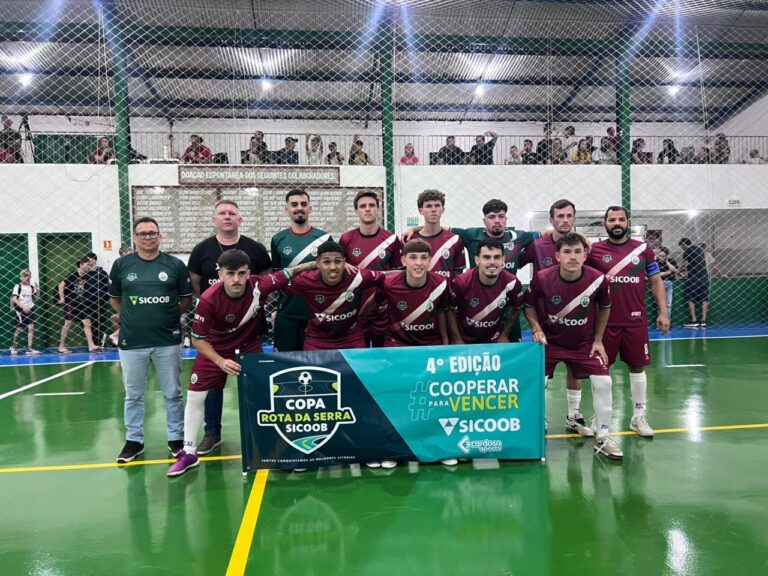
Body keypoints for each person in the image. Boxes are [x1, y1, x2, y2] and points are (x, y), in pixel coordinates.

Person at [167, 250, 314, 476]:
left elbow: (288, 273)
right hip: (214, 349)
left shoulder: (260, 285)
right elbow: (197, 340)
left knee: (267, 395)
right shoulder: (208, 299)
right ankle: (189, 452)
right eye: (230, 273)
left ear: (249, 273)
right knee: (196, 396)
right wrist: (220, 361)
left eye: (242, 273)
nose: (236, 279)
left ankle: (279, 448)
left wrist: (312, 265)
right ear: (220, 274)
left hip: (248, 348)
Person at [525, 233, 622, 460]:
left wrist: (598, 340)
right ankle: (535, 426)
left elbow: (605, 307)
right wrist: (536, 328)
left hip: (583, 344)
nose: (573, 257)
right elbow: (528, 305)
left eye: (578, 251)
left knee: (604, 382)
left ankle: (603, 437)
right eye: (567, 252)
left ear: (585, 255)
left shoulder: (598, 279)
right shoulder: (542, 278)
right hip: (550, 342)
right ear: (557, 256)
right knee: (538, 382)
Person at [187, 199, 273, 456]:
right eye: (222, 213)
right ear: (214, 219)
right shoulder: (201, 249)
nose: (227, 217)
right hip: (216, 332)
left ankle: (260, 432)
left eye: (232, 213)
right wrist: (218, 306)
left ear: (239, 219)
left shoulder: (254, 248)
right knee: (212, 386)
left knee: (256, 385)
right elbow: (195, 283)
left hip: (248, 331)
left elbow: (267, 280)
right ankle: (212, 433)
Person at [363, 238, 453, 466]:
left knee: (434, 397)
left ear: (430, 260)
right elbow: (370, 305)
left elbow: (443, 313)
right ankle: (393, 448)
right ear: (403, 260)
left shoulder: (441, 283)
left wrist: (446, 344)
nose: (418, 263)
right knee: (398, 395)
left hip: (429, 344)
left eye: (423, 258)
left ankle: (438, 447)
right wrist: (357, 322)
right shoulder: (389, 284)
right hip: (397, 343)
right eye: (413, 257)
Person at [110, 217, 192, 464]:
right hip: (132, 341)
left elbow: (185, 300)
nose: (148, 237)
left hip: (167, 340)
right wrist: (133, 318)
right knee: (133, 395)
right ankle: (134, 440)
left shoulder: (175, 265)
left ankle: (176, 438)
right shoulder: (121, 265)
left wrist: (166, 316)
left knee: (173, 393)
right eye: (142, 234)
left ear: (160, 236)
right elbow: (116, 300)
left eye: (152, 233)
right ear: (135, 238)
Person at [587, 206, 669, 438]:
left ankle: (638, 417)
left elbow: (656, 281)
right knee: (601, 369)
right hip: (604, 323)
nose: (617, 223)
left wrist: (663, 312)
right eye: (612, 219)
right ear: (604, 224)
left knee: (637, 367)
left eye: (621, 219)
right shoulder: (594, 251)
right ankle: (599, 416)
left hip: (635, 321)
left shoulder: (643, 250)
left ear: (628, 222)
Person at [518, 199, 592, 436]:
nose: (565, 220)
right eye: (560, 216)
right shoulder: (538, 245)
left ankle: (574, 417)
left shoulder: (583, 247)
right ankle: (540, 417)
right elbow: (514, 262)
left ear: (574, 218)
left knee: (575, 369)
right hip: (545, 322)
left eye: (569, 216)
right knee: (542, 372)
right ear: (551, 220)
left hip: (576, 319)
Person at [282, 240, 386, 350]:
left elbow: (387, 278)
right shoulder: (306, 280)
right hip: (317, 338)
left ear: (344, 262)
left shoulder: (358, 276)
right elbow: (276, 282)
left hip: (351, 337)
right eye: (326, 262)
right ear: (317, 263)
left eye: (338, 261)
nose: (332, 267)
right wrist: (304, 266)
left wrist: (375, 301)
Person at [339, 191, 403, 347]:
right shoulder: (346, 238)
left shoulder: (391, 239)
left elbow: (398, 274)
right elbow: (339, 272)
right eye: (362, 206)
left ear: (378, 210)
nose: (367, 209)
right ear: (356, 211)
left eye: (372, 205)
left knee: (384, 357)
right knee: (358, 357)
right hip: (355, 308)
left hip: (383, 310)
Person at [271, 189, 332, 351]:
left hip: (318, 313)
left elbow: (333, 276)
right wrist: (275, 309)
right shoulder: (278, 239)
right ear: (286, 209)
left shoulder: (324, 238)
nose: (299, 208)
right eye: (294, 204)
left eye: (303, 204)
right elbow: (276, 278)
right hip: (287, 313)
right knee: (285, 362)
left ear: (310, 209)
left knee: (317, 362)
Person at [447, 240, 525, 345]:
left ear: (503, 260)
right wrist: (457, 338)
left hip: (494, 340)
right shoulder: (461, 282)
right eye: (487, 257)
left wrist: (504, 334)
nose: (492, 262)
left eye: (497, 257)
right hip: (464, 340)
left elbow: (517, 308)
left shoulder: (512, 283)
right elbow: (449, 309)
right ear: (477, 260)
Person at [413, 189, 466, 280]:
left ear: (443, 209)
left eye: (437, 205)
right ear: (421, 211)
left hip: (446, 289)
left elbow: (458, 275)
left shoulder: (454, 240)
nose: (433, 210)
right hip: (418, 289)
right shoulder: (410, 240)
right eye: (429, 206)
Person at [58, 256, 99, 353]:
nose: (89, 266)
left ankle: (91, 345)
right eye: (87, 264)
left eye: (89, 265)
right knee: (68, 324)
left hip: (81, 303)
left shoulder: (86, 276)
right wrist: (62, 298)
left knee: (87, 322)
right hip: (71, 303)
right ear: (81, 264)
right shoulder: (73, 275)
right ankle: (61, 346)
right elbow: (61, 285)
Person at [678, 237, 709, 328]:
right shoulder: (700, 249)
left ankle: (694, 320)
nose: (682, 248)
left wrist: (678, 271)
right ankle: (703, 320)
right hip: (704, 277)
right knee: (704, 299)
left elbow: (685, 265)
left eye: (682, 246)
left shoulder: (687, 250)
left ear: (684, 244)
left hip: (693, 277)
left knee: (690, 298)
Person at [10, 269, 40, 355]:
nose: (26, 278)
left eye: (28, 276)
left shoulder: (31, 287)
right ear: (21, 277)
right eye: (24, 276)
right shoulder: (18, 286)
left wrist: (37, 290)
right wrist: (23, 307)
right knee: (19, 328)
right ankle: (14, 346)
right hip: (20, 309)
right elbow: (14, 299)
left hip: (30, 308)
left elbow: (37, 299)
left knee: (31, 327)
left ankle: (29, 348)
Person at [84, 252, 111, 346]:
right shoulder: (85, 273)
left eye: (89, 259)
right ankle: (91, 343)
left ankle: (99, 342)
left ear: (94, 260)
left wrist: (104, 299)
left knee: (98, 322)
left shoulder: (102, 273)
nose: (87, 261)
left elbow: (107, 287)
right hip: (86, 301)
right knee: (87, 322)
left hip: (99, 301)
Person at [656, 246, 677, 324]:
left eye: (663, 256)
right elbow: (656, 274)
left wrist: (667, 261)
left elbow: (674, 269)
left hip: (668, 283)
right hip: (659, 283)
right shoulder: (655, 262)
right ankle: (660, 322)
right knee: (660, 303)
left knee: (668, 304)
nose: (661, 257)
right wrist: (667, 273)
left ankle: (667, 321)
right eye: (660, 255)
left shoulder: (671, 261)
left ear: (666, 256)